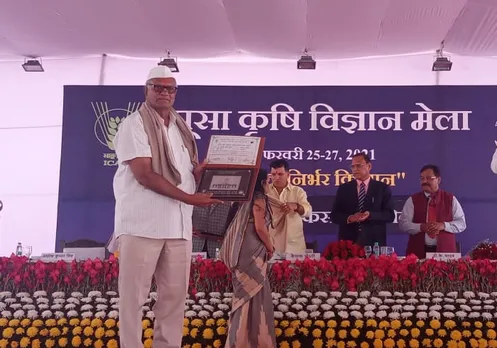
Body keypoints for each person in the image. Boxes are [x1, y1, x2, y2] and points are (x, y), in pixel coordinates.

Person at [111, 65, 221, 348]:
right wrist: (191, 199)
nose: (164, 93)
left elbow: (183, 177)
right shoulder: (133, 124)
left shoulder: (181, 128)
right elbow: (145, 175)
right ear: (145, 89)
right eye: (157, 87)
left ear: (175, 93)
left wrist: (201, 174)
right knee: (133, 300)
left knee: (174, 300)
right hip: (142, 225)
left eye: (170, 88)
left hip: (178, 227)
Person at [219, 169, 279, 348]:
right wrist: (270, 248)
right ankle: (256, 342)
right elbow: (260, 228)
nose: (270, 184)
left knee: (244, 296)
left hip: (243, 251)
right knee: (256, 293)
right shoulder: (259, 198)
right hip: (252, 251)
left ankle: (240, 341)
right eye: (268, 180)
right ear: (261, 182)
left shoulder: (243, 199)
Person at [399, 164, 466, 259]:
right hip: (418, 253)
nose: (425, 181)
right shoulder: (413, 200)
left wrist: (443, 225)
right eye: (422, 178)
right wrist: (421, 227)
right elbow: (403, 224)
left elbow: (462, 223)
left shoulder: (450, 199)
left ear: (438, 180)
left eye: (429, 178)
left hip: (445, 254)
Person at [331, 153, 395, 246]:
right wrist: (350, 218)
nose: (355, 169)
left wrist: (370, 215)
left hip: (374, 243)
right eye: (352, 166)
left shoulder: (382, 188)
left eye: (358, 166)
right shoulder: (344, 189)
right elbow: (334, 215)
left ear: (369, 166)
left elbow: (389, 215)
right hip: (348, 244)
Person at [266, 159, 312, 253]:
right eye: (273, 174)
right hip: (271, 244)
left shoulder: (298, 191)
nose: (277, 177)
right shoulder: (265, 192)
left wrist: (296, 206)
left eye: (280, 174)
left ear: (288, 175)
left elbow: (308, 212)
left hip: (294, 245)